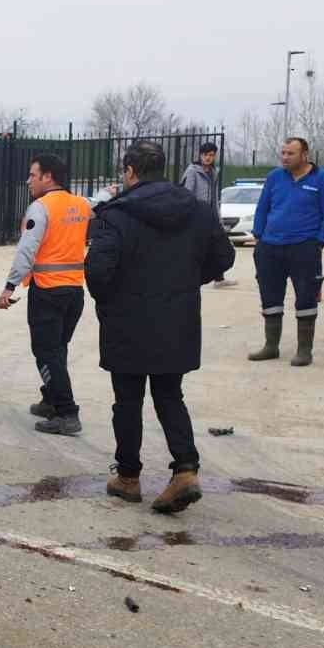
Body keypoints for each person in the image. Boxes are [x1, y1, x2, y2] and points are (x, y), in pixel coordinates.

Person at [87, 140, 234, 513]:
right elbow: (223, 256)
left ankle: (129, 476)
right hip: (177, 317)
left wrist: (110, 300)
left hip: (127, 318)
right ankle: (185, 470)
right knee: (170, 395)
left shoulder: (116, 214)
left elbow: (99, 272)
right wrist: (184, 282)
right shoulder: (197, 211)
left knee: (128, 400)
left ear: (131, 172)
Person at [0, 153, 92, 436]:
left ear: (47, 177)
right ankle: (50, 399)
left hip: (48, 290)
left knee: (45, 351)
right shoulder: (81, 205)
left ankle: (67, 411)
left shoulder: (41, 208)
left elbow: (27, 250)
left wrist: (10, 286)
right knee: (57, 349)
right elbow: (100, 205)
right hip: (74, 291)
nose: (28, 180)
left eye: (32, 175)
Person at [248, 138, 324, 366]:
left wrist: (319, 242)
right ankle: (271, 346)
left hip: (304, 248)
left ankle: (304, 351)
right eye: (283, 153)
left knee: (306, 297)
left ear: (305, 154)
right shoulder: (274, 177)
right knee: (270, 296)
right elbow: (263, 208)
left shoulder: (322, 178)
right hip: (270, 247)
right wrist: (259, 236)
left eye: (291, 153)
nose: (285, 157)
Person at [181, 142, 236, 288]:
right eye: (206, 154)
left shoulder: (214, 172)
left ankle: (219, 279)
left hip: (211, 215)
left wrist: (218, 217)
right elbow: (187, 193)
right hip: (197, 215)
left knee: (219, 246)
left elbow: (215, 196)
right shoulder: (193, 171)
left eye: (211, 155)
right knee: (197, 248)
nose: (208, 158)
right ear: (200, 155)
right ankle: (189, 276)